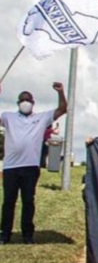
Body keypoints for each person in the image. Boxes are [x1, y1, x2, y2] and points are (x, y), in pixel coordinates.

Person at [1, 82, 67, 244]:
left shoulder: (41, 118)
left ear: (33, 103)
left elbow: (62, 109)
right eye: (22, 100)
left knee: (28, 201)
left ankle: (27, 235)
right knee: (8, 202)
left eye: (28, 100)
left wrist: (60, 92)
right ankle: (4, 234)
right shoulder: (8, 117)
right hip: (10, 167)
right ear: (18, 103)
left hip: (30, 167)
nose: (25, 102)